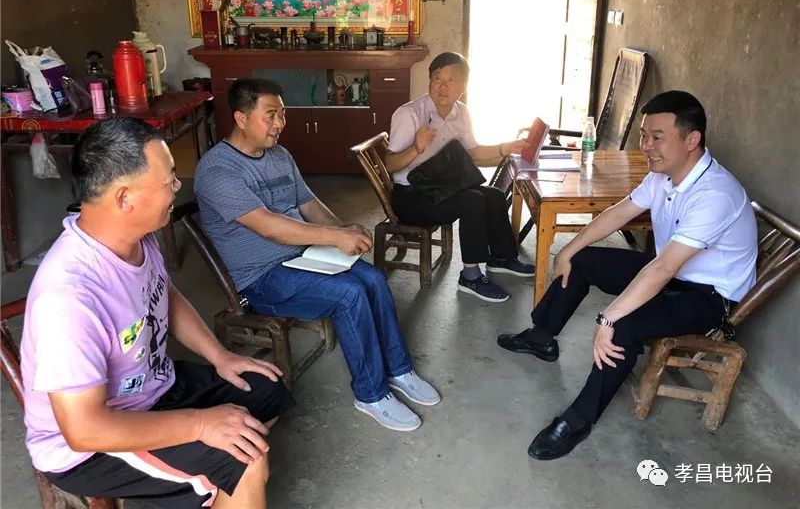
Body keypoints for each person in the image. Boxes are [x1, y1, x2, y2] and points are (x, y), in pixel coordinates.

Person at [20, 118, 294, 508]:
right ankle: (218, 483)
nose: (177, 186)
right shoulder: (68, 298)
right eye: (168, 180)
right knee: (245, 463)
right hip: (91, 443)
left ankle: (203, 485)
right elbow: (84, 430)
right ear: (124, 198)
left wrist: (221, 356)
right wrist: (201, 424)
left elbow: (163, 294)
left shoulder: (137, 237)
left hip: (152, 387)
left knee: (265, 389)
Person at [497, 90, 758, 460]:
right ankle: (542, 336)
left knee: (621, 327)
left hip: (708, 297)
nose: (646, 146)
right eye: (643, 135)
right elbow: (619, 212)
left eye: (657, 137)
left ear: (691, 139)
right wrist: (569, 250)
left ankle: (578, 420)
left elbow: (663, 268)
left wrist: (609, 317)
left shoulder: (715, 194)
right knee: (583, 260)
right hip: (672, 274)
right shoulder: (665, 175)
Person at [193, 78, 440, 433]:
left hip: (301, 256)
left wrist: (343, 230)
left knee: (372, 278)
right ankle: (370, 394)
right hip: (261, 278)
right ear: (241, 118)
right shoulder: (217, 171)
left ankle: (399, 369)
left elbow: (308, 204)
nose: (279, 123)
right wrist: (334, 238)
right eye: (270, 115)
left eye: (282, 114)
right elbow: (269, 227)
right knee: (349, 294)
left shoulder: (279, 156)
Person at [385, 51, 534, 303]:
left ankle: (501, 258)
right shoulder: (409, 114)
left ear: (463, 88)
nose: (442, 86)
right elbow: (390, 164)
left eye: (451, 80)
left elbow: (473, 152)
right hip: (411, 196)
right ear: (429, 81)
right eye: (437, 78)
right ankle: (470, 276)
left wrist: (505, 147)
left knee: (494, 195)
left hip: (441, 187)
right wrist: (415, 148)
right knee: (472, 200)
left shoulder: (461, 112)